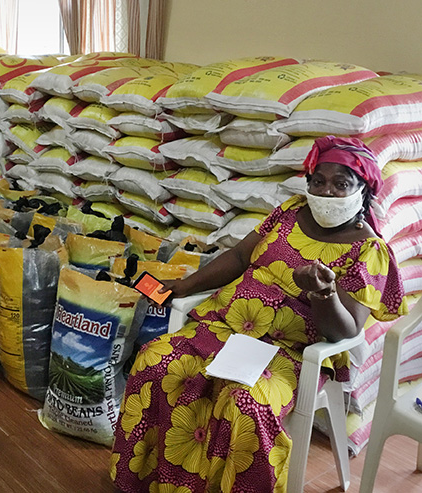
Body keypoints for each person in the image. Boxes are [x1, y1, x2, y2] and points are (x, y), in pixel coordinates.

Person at [110, 136, 408, 493]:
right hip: (225, 327)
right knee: (154, 362)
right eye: (318, 181)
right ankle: (147, 483)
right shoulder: (291, 211)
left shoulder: (368, 250)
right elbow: (239, 258)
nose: (327, 192)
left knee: (245, 405)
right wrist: (183, 286)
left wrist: (323, 294)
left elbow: (344, 331)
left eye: (341, 184)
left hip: (290, 355)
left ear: (363, 191)